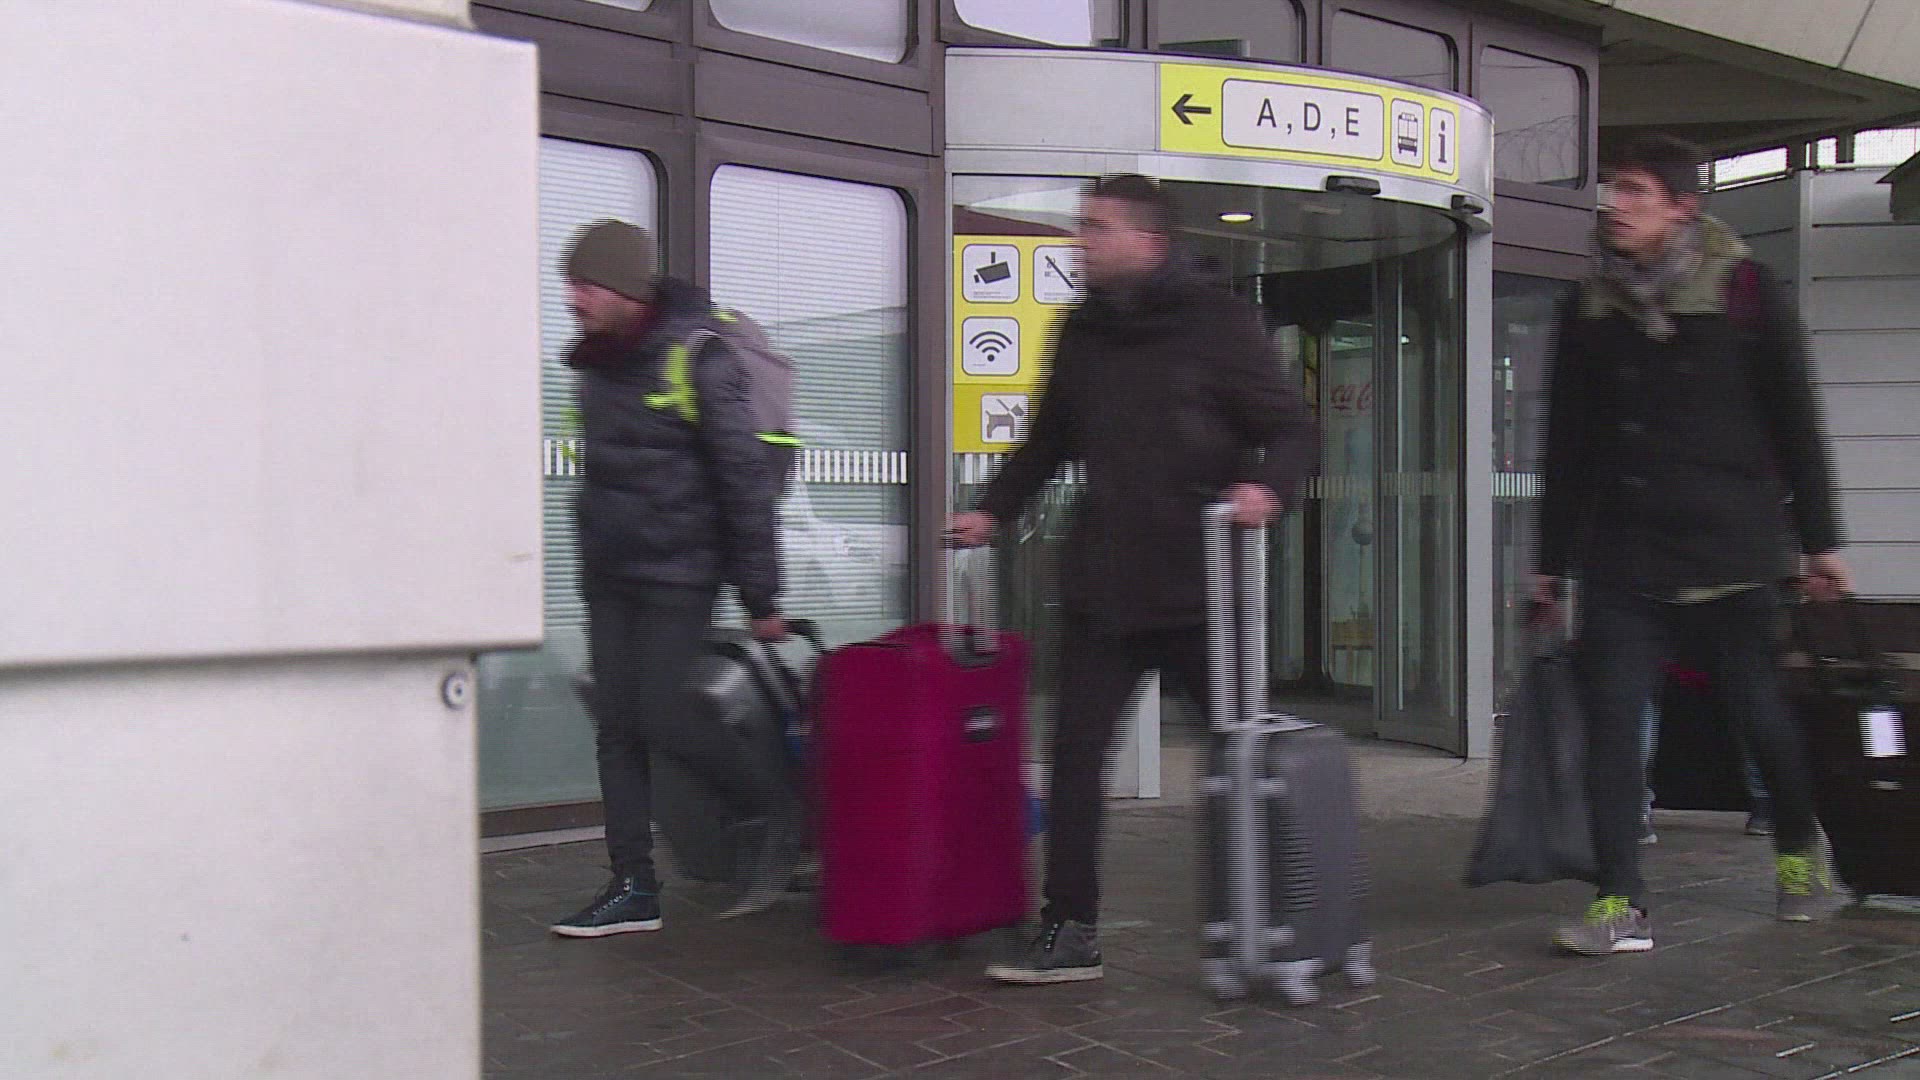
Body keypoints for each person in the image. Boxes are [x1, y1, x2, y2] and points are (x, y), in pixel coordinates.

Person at [950, 174, 1316, 985]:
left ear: (1148, 242)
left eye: (1097, 228)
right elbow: (1047, 444)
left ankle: (1271, 922)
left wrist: (1267, 489)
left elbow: (1291, 427)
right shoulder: (1082, 331)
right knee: (1076, 757)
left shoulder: (1217, 323)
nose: (1081, 241)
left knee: (1239, 763)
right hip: (1107, 587)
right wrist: (990, 513)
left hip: (1201, 588)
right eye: (1081, 225)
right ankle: (1070, 928)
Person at [1532, 135, 1852, 955]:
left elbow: (1796, 417)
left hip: (1731, 551)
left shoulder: (1746, 289)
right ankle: (1620, 900)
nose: (1615, 204)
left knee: (1760, 713)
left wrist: (1820, 541)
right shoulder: (1590, 305)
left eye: (1635, 191)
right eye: (1613, 188)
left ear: (1683, 207)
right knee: (1613, 723)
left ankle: (1796, 853)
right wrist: (1549, 562)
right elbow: (1567, 441)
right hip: (1625, 551)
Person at [549, 219, 797, 937]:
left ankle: (772, 806)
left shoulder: (699, 357)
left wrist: (760, 595)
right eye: (570, 283)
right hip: (611, 569)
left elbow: (743, 481)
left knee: (661, 714)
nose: (572, 298)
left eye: (586, 284)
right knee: (617, 726)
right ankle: (633, 885)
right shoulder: (596, 364)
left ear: (626, 289)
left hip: (681, 573)